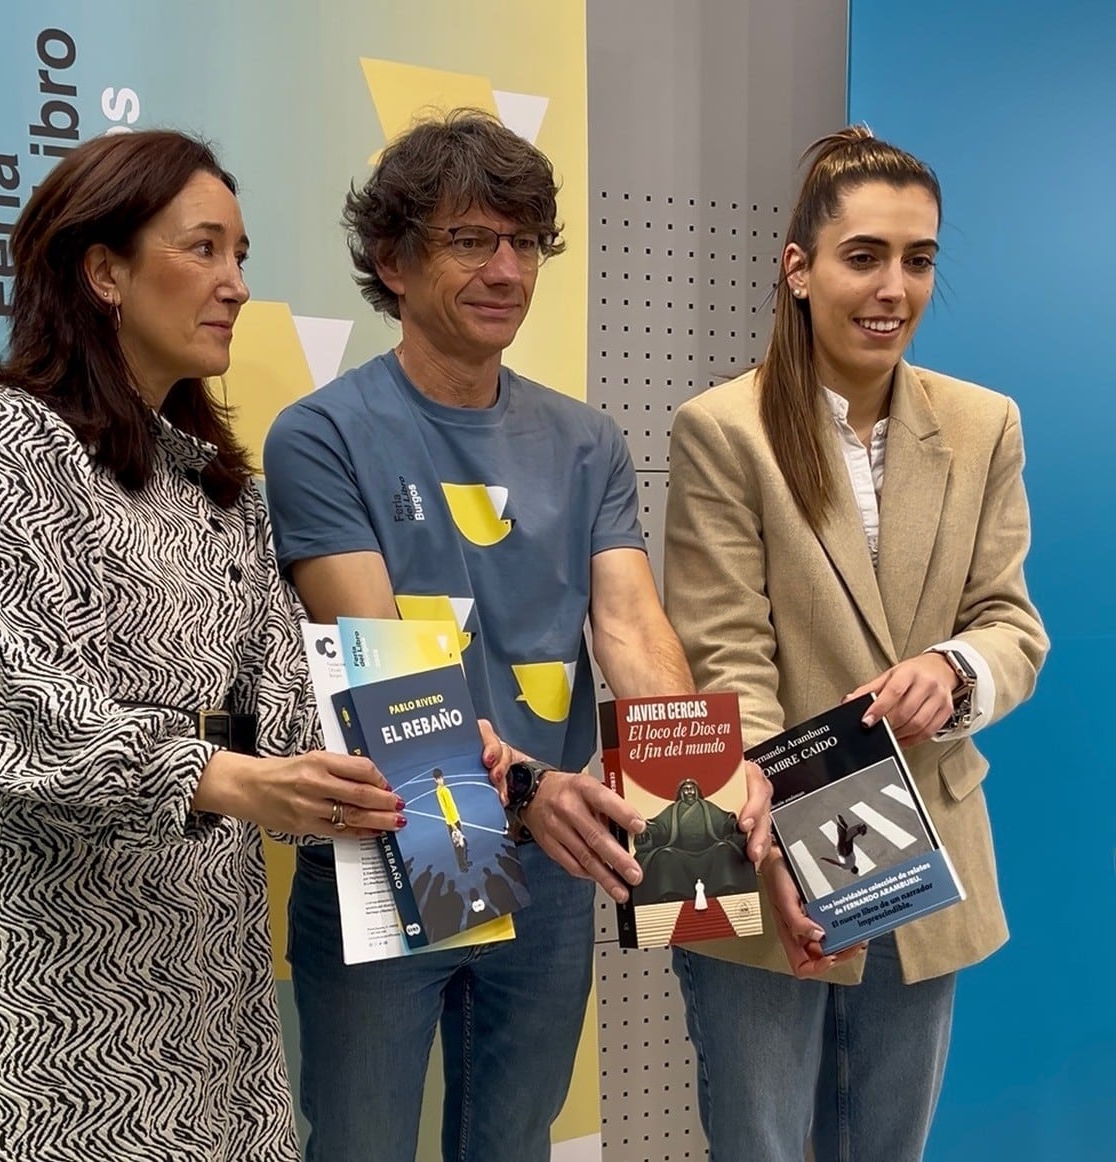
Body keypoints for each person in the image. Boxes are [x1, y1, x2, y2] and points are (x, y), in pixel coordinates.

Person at [263, 109, 771, 1162]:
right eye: (467, 240)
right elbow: (380, 654)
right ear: (390, 261)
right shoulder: (319, 434)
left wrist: (699, 802)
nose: (506, 269)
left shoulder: (586, 440)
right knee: (357, 1144)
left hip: (544, 864)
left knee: (513, 1141)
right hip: (394, 839)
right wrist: (533, 795)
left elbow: (629, 624)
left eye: (523, 240)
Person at [0, 129, 406, 1162]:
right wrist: (231, 780)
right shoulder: (8, 439)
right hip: (70, 965)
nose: (234, 284)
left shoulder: (222, 488)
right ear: (103, 269)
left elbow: (286, 709)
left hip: (211, 953)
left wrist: (429, 761)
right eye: (203, 250)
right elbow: (30, 716)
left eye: (241, 256)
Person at [663, 126, 1048, 1162]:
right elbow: (724, 656)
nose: (892, 287)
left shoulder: (983, 426)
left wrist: (954, 671)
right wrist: (778, 839)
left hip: (924, 856)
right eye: (862, 256)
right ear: (797, 269)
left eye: (917, 259)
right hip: (767, 849)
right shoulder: (721, 429)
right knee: (762, 1146)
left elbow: (1009, 624)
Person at [631, 778, 752, 905]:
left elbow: (725, 823)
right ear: (680, 793)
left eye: (691, 789)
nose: (689, 792)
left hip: (710, 853)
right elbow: (659, 828)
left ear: (697, 791)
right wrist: (645, 831)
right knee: (665, 855)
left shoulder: (708, 807)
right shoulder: (673, 810)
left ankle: (728, 891)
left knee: (724, 848)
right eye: (686, 789)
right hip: (680, 856)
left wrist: (735, 826)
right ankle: (671, 896)